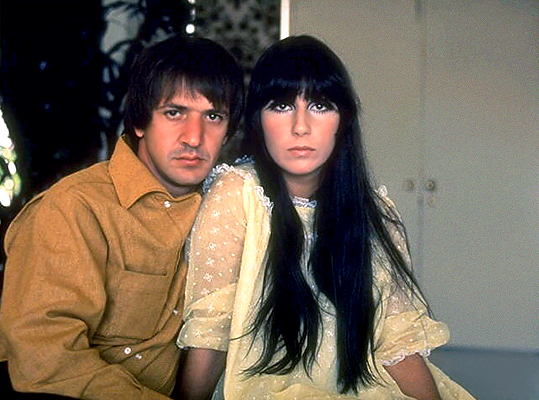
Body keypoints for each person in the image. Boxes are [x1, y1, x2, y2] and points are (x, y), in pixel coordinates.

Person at [176, 35, 476, 400]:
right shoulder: (237, 192)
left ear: (343, 120)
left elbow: (398, 343)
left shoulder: (375, 211)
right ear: (258, 120)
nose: (301, 126)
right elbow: (211, 334)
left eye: (319, 105)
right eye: (282, 106)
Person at [0, 34, 243, 399]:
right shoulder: (75, 208)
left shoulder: (227, 208)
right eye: (174, 113)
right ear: (140, 121)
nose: (195, 137)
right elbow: (46, 362)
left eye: (213, 116)